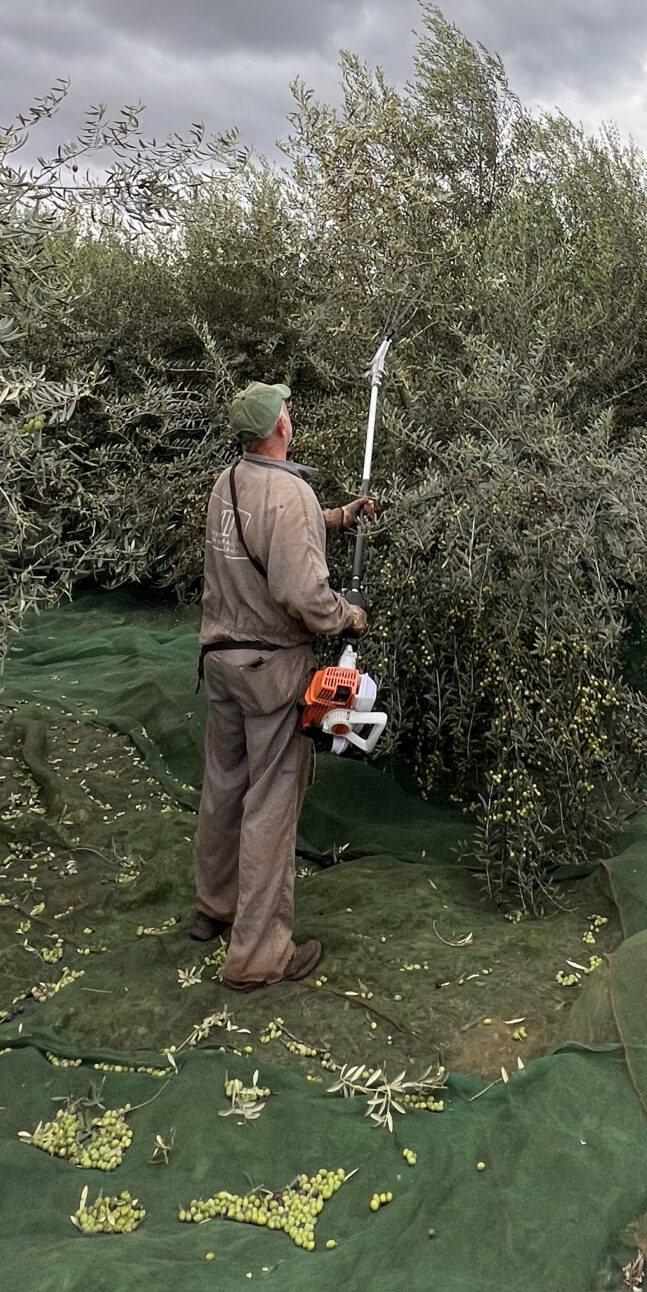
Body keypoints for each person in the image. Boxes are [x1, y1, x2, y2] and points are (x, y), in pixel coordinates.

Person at [189, 380, 374, 988]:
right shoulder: (290, 493)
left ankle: (214, 908)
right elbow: (304, 594)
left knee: (225, 785)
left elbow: (271, 531)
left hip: (220, 662)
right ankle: (259, 957)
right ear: (280, 427)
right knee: (270, 801)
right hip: (271, 670)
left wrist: (339, 518)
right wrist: (346, 616)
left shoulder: (227, 483)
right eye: (286, 410)